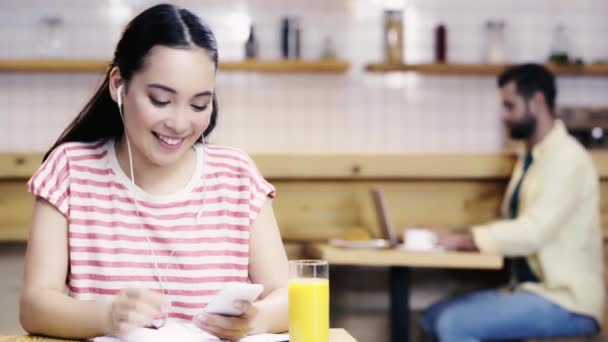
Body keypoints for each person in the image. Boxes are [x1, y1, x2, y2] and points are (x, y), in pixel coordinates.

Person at [19, 4, 288, 341]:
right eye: (161, 100)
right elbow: (34, 306)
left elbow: (287, 297)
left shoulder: (237, 176)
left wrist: (256, 319)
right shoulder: (70, 170)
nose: (178, 123)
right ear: (119, 85)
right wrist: (108, 315)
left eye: (199, 104)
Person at [420, 64, 604, 341]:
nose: (503, 116)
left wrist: (462, 240)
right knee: (432, 317)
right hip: (529, 291)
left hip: (566, 299)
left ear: (537, 102)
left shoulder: (567, 158)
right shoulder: (531, 158)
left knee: (454, 325)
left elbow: (532, 231)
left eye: (510, 106)